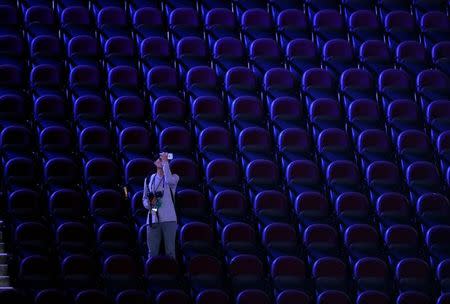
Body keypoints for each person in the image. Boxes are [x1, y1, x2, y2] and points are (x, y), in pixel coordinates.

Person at [142, 152, 179, 259]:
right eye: (159, 159)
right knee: (152, 252)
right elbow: (144, 198)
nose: (161, 160)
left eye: (163, 159)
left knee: (170, 252)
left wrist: (165, 163)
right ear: (155, 162)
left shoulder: (174, 177)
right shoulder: (149, 179)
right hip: (153, 218)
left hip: (169, 219)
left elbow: (168, 180)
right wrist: (149, 204)